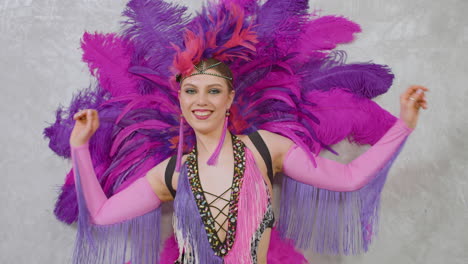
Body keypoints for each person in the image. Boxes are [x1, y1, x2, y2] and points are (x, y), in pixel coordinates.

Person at [46, 0, 428, 263]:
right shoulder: (173, 173)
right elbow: (101, 213)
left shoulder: (265, 149)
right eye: (191, 91)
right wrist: (81, 148)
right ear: (180, 100)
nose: (202, 101)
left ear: (230, 98)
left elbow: (349, 177)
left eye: (213, 91)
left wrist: (404, 126)